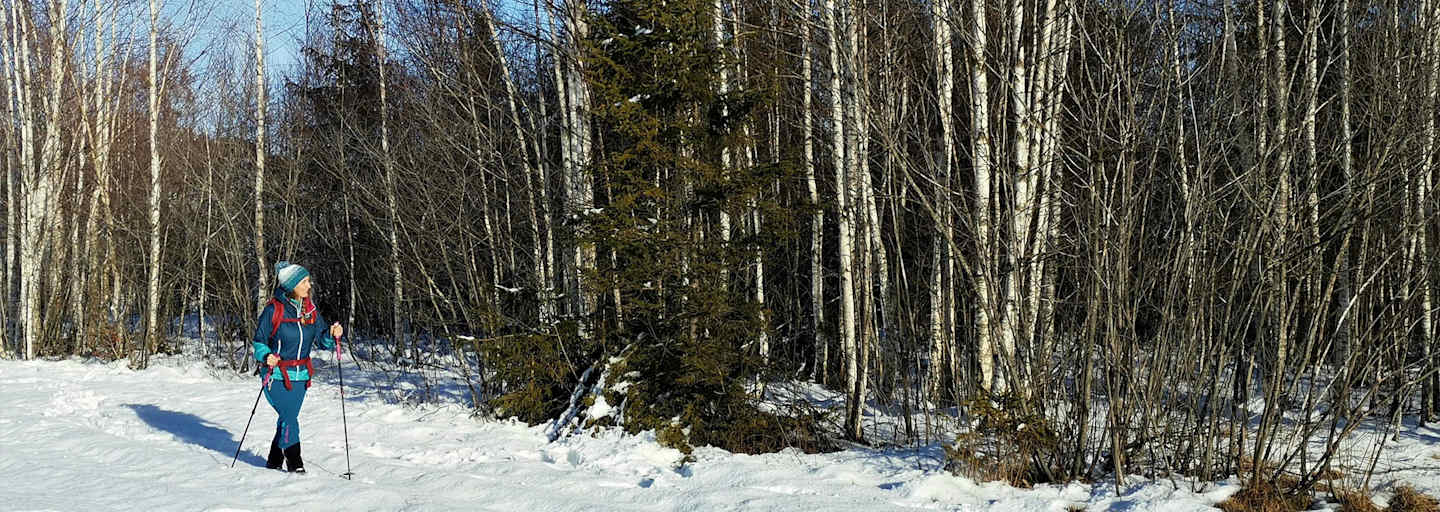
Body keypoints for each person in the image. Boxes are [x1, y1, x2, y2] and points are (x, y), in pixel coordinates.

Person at [253, 261, 343, 473]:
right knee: (290, 417)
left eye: (308, 281)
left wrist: (332, 333)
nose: (308, 286)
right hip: (276, 375)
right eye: (304, 282)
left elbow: (322, 340)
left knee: (288, 417)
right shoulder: (273, 309)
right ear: (292, 285)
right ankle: (295, 463)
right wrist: (266, 356)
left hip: (301, 376)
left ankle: (274, 460)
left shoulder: (309, 309)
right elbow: (259, 341)